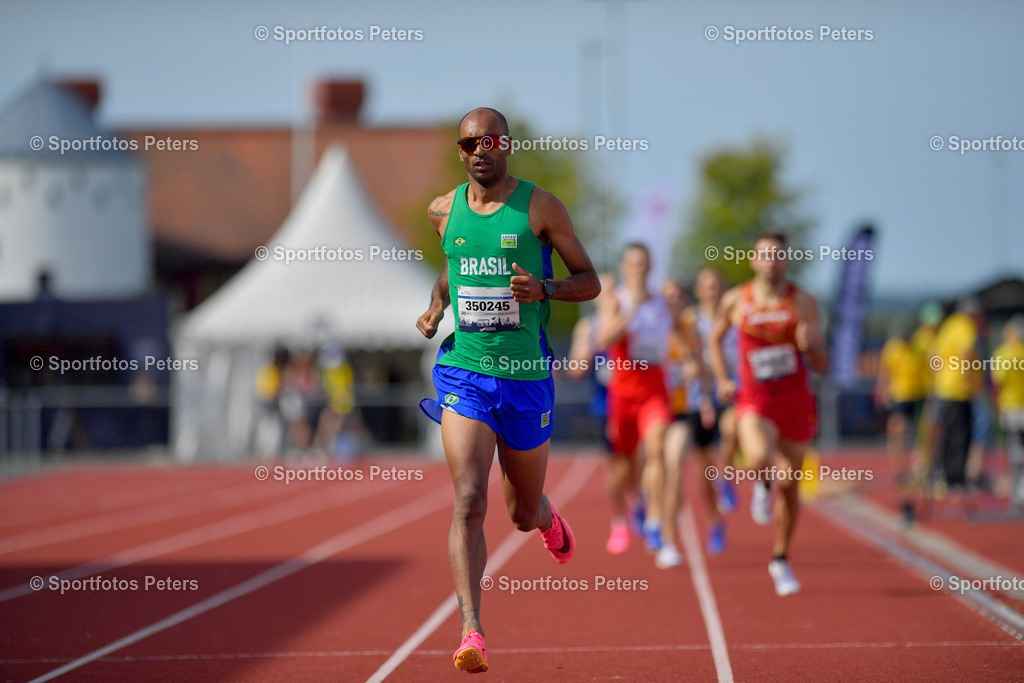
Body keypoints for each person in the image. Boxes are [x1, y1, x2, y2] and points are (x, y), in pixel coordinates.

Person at [416, 107, 600, 674]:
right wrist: (435, 305)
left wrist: (542, 287)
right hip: (466, 373)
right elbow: (455, 268)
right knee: (469, 499)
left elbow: (590, 281)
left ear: (506, 144)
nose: (478, 152)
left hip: (524, 380)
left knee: (520, 512)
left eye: (488, 141)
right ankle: (472, 630)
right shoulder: (443, 211)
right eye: (468, 144)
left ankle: (548, 519)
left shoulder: (540, 207)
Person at [709, 233, 827, 596]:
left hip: (794, 400)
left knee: (791, 485)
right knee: (758, 456)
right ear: (753, 261)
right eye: (765, 255)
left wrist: (812, 345)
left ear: (786, 261)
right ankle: (761, 484)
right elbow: (714, 341)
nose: (772, 261)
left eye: (778, 255)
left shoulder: (803, 302)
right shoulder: (735, 300)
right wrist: (723, 379)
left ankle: (780, 558)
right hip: (754, 399)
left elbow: (822, 363)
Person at [595, 244, 680, 568]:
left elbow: (677, 339)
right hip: (623, 396)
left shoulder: (661, 303)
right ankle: (630, 510)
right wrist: (630, 314)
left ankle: (656, 524)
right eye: (633, 264)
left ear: (650, 266)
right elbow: (604, 339)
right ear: (624, 267)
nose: (638, 269)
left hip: (655, 393)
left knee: (657, 450)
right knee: (624, 467)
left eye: (644, 264)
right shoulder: (616, 300)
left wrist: (688, 364)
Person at [681, 267, 740, 554]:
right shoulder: (691, 320)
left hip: (732, 391)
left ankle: (726, 474)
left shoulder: (736, 317)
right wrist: (704, 398)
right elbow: (695, 360)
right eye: (707, 286)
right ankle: (716, 523)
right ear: (699, 291)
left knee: (734, 428)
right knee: (704, 466)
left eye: (717, 285)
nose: (713, 291)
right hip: (701, 396)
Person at [661, 280, 716, 564]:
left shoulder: (689, 331)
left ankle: (669, 540)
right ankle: (653, 516)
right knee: (653, 473)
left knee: (673, 470)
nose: (671, 302)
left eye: (676, 297)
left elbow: (701, 367)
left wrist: (706, 398)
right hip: (650, 409)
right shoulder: (650, 329)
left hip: (680, 412)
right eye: (666, 298)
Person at [875, 319, 930, 523]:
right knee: (898, 431)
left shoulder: (920, 347)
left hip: (918, 395)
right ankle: (900, 459)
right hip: (899, 397)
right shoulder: (892, 349)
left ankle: (919, 458)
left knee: (920, 434)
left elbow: (928, 370)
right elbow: (885, 373)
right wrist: (882, 392)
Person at [929, 298, 985, 498]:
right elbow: (967, 353)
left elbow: (933, 355)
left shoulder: (948, 326)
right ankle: (956, 480)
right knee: (961, 435)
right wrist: (970, 380)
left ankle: (944, 476)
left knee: (948, 433)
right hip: (960, 390)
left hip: (944, 389)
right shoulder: (965, 327)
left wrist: (940, 378)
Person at [992, 316, 1024, 510]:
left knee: (1014, 449)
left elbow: (998, 382)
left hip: (1010, 407)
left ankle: (1017, 492)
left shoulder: (1002, 353)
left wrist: (997, 404)